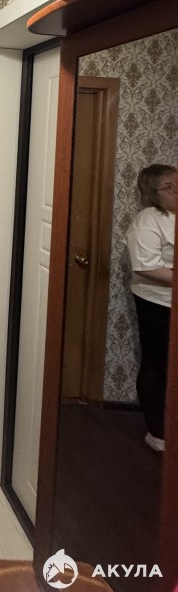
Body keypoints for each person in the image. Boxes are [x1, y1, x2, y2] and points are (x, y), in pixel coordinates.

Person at [125, 164, 176, 452]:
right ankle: (157, 433)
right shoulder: (148, 220)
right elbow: (145, 266)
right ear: (152, 193)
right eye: (169, 187)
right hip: (158, 303)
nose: (176, 190)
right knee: (158, 364)